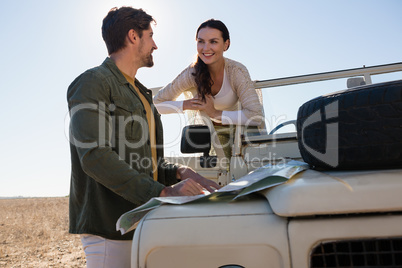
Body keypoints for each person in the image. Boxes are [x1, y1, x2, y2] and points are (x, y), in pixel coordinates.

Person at [67, 7, 220, 268]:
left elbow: (147, 162)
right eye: (150, 35)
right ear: (133, 37)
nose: (156, 44)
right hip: (110, 229)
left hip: (145, 222)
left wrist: (180, 172)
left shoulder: (142, 93)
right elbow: (94, 157)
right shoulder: (93, 83)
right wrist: (163, 191)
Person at [153, 19, 264, 159]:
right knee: (223, 173)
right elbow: (156, 104)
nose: (205, 48)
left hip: (243, 128)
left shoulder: (236, 71)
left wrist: (215, 112)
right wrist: (186, 105)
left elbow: (255, 115)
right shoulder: (191, 73)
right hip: (214, 134)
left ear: (226, 44)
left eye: (213, 42)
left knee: (251, 167)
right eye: (201, 41)